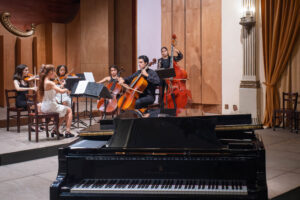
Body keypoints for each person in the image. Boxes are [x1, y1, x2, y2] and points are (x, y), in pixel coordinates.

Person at [39, 64, 74, 138]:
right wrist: (67, 89)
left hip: (44, 106)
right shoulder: (50, 82)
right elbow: (61, 91)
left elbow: (54, 91)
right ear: (50, 72)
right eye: (54, 71)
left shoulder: (43, 81)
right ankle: (68, 131)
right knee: (69, 110)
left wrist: (62, 85)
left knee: (63, 112)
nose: (55, 74)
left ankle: (55, 129)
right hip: (50, 106)